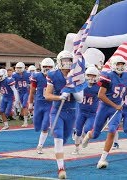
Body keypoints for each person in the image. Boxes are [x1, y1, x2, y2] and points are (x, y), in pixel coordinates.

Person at [81, 56, 127, 169]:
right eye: (118, 64)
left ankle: (102, 159)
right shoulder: (108, 76)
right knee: (96, 134)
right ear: (113, 65)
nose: (120, 67)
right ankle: (88, 135)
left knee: (112, 130)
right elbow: (100, 95)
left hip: (116, 109)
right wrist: (115, 105)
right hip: (105, 107)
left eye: (122, 64)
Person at [44, 50, 77, 179]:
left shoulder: (76, 75)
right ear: (59, 61)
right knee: (58, 137)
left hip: (72, 111)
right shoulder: (53, 74)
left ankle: (59, 157)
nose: (67, 63)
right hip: (57, 111)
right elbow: (47, 95)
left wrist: (76, 92)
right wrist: (59, 97)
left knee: (65, 138)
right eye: (65, 60)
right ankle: (61, 169)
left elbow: (80, 97)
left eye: (69, 60)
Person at [28, 58, 55, 154]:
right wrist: (30, 104)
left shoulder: (55, 77)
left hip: (50, 103)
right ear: (41, 67)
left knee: (45, 125)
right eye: (45, 66)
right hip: (39, 103)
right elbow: (31, 91)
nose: (47, 68)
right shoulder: (36, 76)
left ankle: (40, 146)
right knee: (36, 125)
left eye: (49, 67)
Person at [72, 66, 100, 155]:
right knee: (78, 130)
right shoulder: (81, 85)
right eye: (89, 75)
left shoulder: (99, 87)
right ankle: (76, 148)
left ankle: (86, 138)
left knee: (88, 129)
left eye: (93, 76)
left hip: (92, 113)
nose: (91, 78)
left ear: (97, 76)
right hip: (81, 111)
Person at [12, 62, 31, 127]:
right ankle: (26, 116)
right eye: (17, 68)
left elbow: (32, 83)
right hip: (19, 92)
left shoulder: (28, 74)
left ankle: (25, 121)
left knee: (24, 105)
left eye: (20, 68)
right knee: (19, 106)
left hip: (26, 91)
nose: (18, 69)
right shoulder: (14, 75)